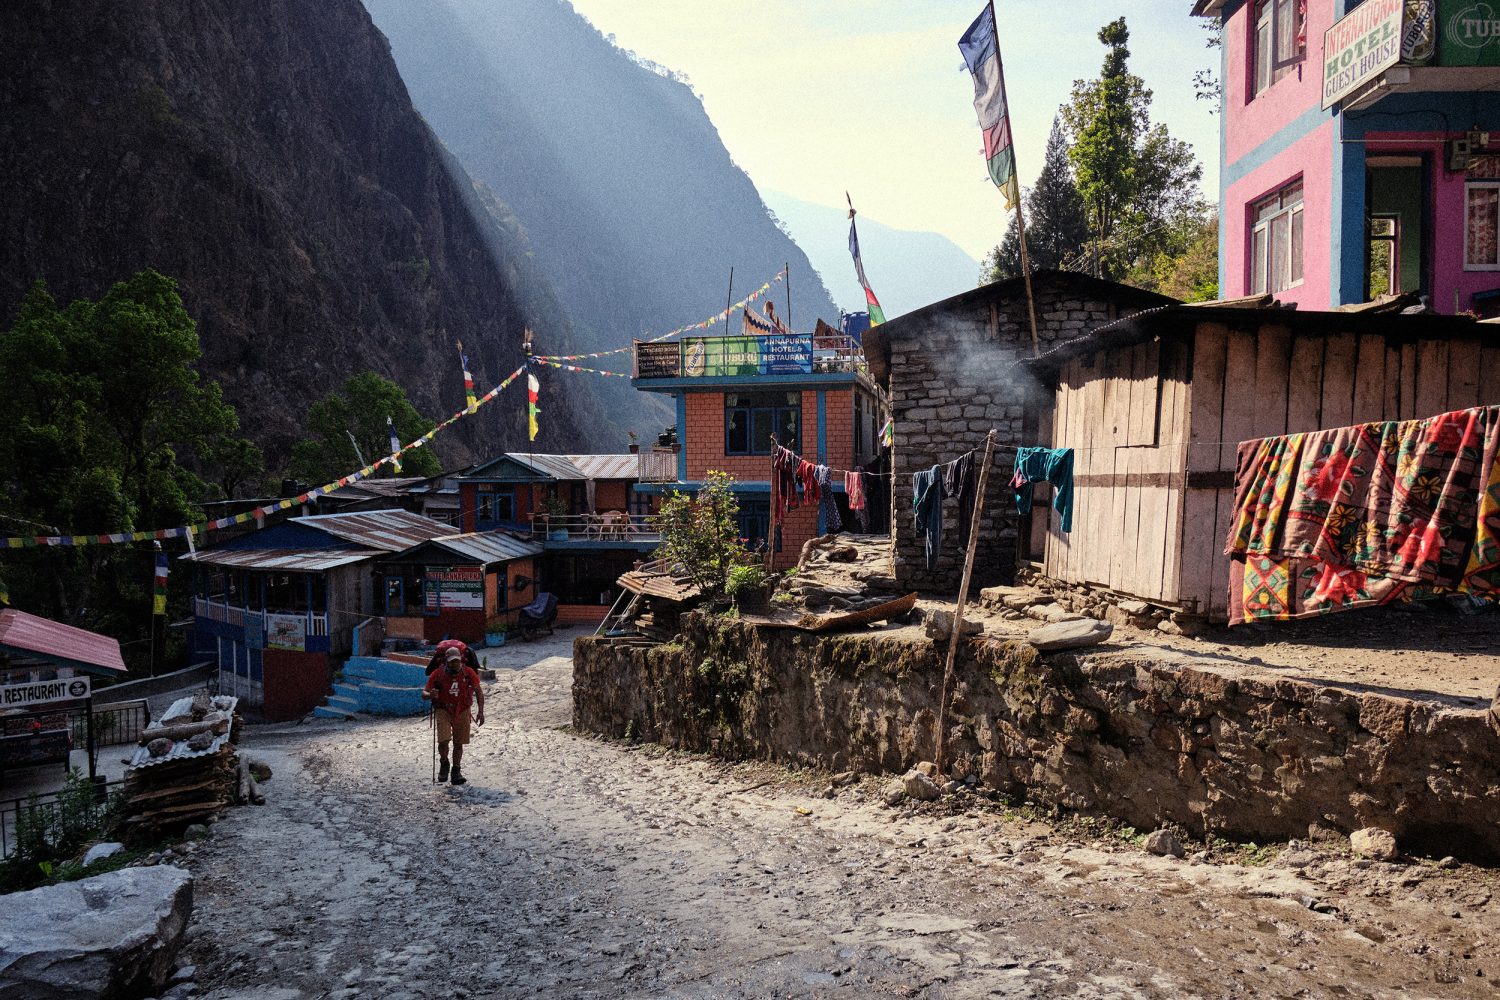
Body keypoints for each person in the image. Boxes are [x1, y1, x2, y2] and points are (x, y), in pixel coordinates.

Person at [421, 646, 484, 785]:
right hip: (443, 710)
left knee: (459, 743)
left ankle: (456, 770)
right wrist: (430, 695)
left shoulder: (468, 673)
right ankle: (444, 762)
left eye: (457, 661)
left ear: (461, 660)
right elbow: (424, 692)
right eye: (451, 661)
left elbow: (478, 691)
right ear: (446, 662)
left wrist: (480, 712)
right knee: (443, 741)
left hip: (462, 710)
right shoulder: (437, 674)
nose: (454, 664)